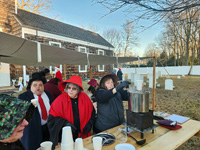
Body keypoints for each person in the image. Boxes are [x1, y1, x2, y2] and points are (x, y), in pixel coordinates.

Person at [48, 76, 95, 149]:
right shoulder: (60, 100)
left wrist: (90, 123)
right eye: (69, 88)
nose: (70, 90)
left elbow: (92, 111)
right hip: (68, 136)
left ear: (78, 90)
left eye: (74, 88)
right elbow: (52, 118)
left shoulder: (84, 97)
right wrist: (64, 123)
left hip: (82, 135)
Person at [18, 77, 53, 150]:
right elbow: (19, 113)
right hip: (32, 130)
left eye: (40, 85)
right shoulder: (23, 97)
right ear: (30, 86)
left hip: (47, 128)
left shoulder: (48, 94)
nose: (38, 87)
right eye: (35, 85)